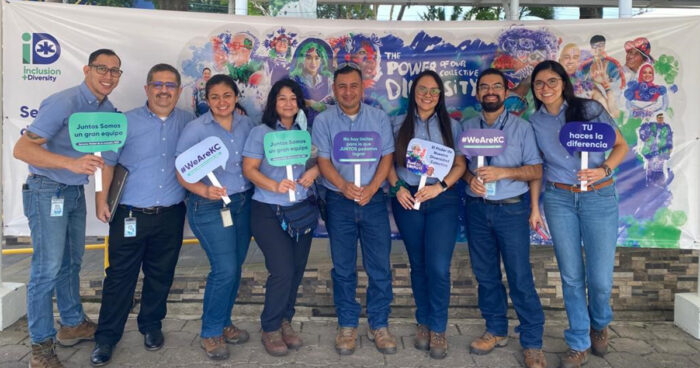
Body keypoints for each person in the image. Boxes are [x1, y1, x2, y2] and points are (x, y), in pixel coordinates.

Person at [13, 48, 121, 368]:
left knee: (71, 263)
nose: (109, 76)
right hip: (47, 191)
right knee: (45, 270)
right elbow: (22, 149)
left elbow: (106, 161)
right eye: (102, 68)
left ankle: (72, 323)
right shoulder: (64, 102)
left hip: (73, 193)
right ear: (87, 70)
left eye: (115, 71)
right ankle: (40, 348)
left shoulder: (108, 111)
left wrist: (102, 199)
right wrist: (69, 164)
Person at [89, 63, 193, 366]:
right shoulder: (125, 122)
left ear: (179, 91)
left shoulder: (189, 122)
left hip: (171, 215)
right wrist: (100, 200)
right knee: (120, 277)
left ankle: (151, 326)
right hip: (129, 215)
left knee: (161, 276)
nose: (164, 91)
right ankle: (106, 338)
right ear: (147, 88)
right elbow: (105, 163)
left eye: (170, 85)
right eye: (157, 84)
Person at [528, 60, 628, 368]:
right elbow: (536, 168)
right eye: (539, 83)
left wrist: (604, 169)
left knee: (600, 278)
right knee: (571, 276)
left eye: (552, 81)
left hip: (599, 197)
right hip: (559, 199)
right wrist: (535, 207)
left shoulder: (588, 110)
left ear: (563, 82)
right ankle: (579, 341)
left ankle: (600, 322)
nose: (545, 88)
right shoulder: (534, 122)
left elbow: (621, 146)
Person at [462, 68, 546, 368]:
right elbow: (462, 166)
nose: (490, 91)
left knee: (519, 276)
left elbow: (536, 170)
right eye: (484, 87)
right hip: (477, 209)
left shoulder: (522, 128)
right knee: (485, 275)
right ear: (477, 94)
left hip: (511, 208)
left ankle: (533, 342)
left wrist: (504, 172)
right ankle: (495, 329)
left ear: (506, 92)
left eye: (496, 86)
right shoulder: (468, 127)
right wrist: (470, 177)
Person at [311, 64, 396, 355]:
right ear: (334, 90)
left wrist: (372, 188)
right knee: (344, 269)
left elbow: (387, 157)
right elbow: (323, 161)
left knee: (379, 267)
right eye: (342, 86)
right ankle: (347, 324)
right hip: (339, 202)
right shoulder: (323, 121)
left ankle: (379, 324)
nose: (348, 92)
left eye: (353, 86)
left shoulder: (379, 118)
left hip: (372, 202)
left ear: (363, 88)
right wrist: (344, 186)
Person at [175, 74, 255, 361]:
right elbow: (181, 170)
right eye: (215, 97)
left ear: (235, 98)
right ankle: (210, 332)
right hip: (209, 207)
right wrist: (203, 189)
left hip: (242, 204)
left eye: (227, 96)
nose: (222, 102)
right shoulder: (196, 129)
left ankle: (224, 323)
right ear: (206, 100)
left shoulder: (247, 124)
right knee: (225, 269)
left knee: (234, 267)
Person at [387, 70, 465, 359]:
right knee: (418, 264)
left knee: (438, 267)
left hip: (440, 200)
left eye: (434, 90)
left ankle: (439, 328)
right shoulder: (397, 124)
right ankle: (423, 321)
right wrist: (397, 188)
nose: (428, 95)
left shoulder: (452, 127)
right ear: (413, 93)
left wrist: (440, 187)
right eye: (422, 89)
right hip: (408, 198)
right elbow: (386, 162)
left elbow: (460, 165)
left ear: (440, 95)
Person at [242, 79, 320, 356]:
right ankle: (270, 326)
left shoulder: (305, 133)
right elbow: (249, 169)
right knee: (282, 270)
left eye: (293, 98)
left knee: (296, 270)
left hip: (299, 209)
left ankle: (286, 319)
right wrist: (273, 185)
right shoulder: (260, 132)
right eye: (282, 98)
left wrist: (314, 173)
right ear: (273, 103)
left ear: (300, 104)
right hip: (267, 210)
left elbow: (317, 163)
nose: (288, 103)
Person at [289, 38, 334, 129]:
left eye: (317, 58)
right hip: (298, 130)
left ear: (322, 60)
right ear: (302, 60)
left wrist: (319, 106)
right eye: (308, 58)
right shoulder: (294, 81)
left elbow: (336, 108)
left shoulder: (329, 81)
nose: (313, 62)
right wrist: (307, 103)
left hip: (325, 129)